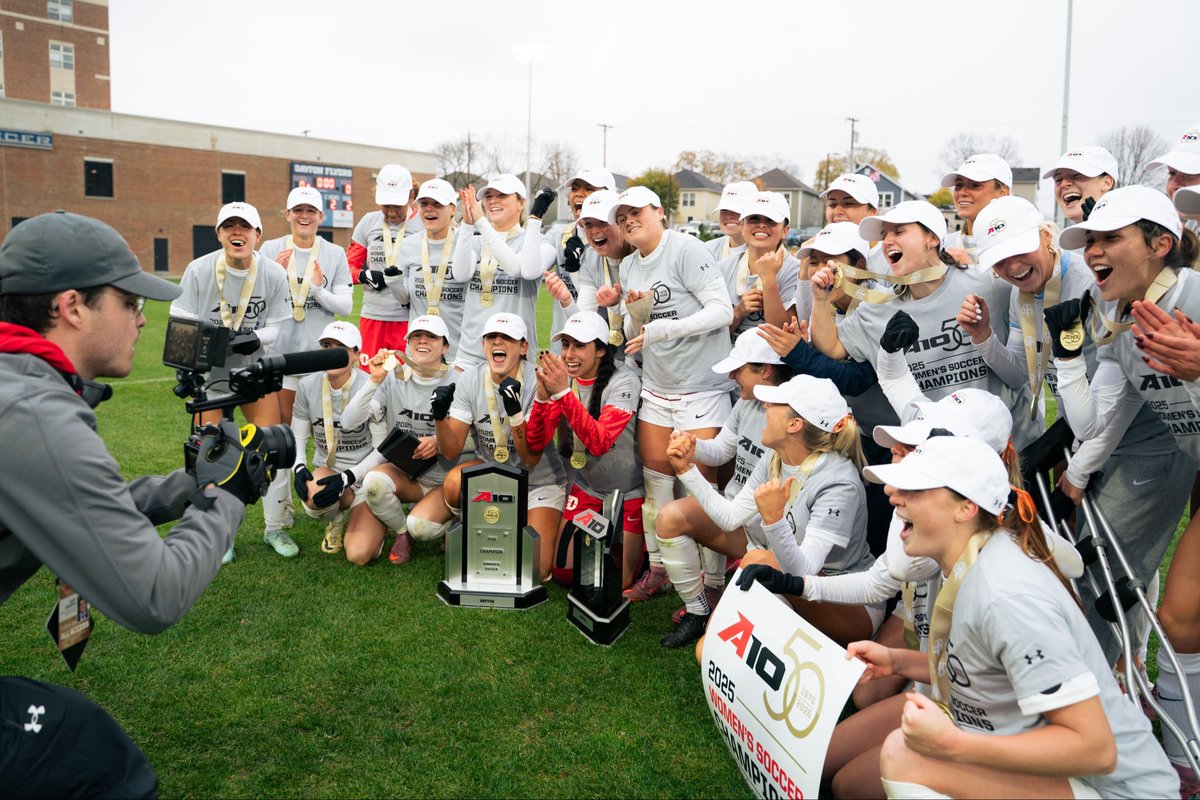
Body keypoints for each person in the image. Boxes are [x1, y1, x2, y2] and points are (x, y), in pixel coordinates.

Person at [0, 211, 260, 796]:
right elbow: (155, 595)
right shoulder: (32, 412)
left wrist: (191, 484)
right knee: (93, 757)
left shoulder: (17, 381)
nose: (143, 319)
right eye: (129, 302)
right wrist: (227, 494)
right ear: (72, 307)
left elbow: (84, 505)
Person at [849, 435, 1178, 799]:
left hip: (1116, 790)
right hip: (1075, 776)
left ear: (966, 508)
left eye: (915, 489)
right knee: (853, 784)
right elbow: (976, 669)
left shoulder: (1005, 594)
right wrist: (897, 661)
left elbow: (1096, 749)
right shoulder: (977, 560)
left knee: (902, 757)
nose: (892, 493)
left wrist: (953, 744)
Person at [963, 195, 1190, 662]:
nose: (1011, 266)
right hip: (1094, 439)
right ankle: (1117, 682)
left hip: (1144, 447)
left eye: (1111, 238)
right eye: (999, 260)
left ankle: (1111, 684)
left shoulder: (1115, 287)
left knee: (1116, 577)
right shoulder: (1100, 308)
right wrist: (994, 341)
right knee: (1108, 573)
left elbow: (1114, 409)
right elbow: (1081, 407)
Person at [1044, 185, 1200, 790]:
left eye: (1111, 238)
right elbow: (1102, 420)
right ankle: (1183, 765)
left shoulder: (1194, 296)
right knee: (1178, 621)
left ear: (1161, 244)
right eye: (1090, 241)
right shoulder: (1121, 319)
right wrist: (1078, 473)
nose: (1093, 251)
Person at [808, 200, 1038, 448]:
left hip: (1009, 448)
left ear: (932, 239)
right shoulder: (877, 309)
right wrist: (820, 299)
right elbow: (831, 346)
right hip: (936, 451)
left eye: (899, 232)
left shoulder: (990, 285)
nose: (887, 242)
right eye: (884, 235)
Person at [669, 375, 874, 647]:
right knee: (705, 648)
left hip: (850, 606)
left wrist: (774, 520)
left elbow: (804, 571)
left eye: (774, 403)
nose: (764, 406)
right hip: (783, 579)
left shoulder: (839, 482)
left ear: (794, 424)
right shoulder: (775, 456)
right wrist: (687, 471)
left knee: (758, 560)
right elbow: (730, 518)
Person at [612, 186, 735, 602]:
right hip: (657, 388)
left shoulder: (686, 249)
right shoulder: (629, 265)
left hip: (701, 388)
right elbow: (636, 334)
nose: (629, 221)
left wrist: (664, 328)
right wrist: (638, 317)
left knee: (702, 491)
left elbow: (723, 310)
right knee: (656, 489)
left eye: (636, 212)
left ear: (660, 212)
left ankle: (713, 586)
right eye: (622, 217)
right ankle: (660, 570)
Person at [652, 329, 792, 647]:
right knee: (669, 517)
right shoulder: (747, 404)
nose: (731, 376)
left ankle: (729, 596)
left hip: (772, 541)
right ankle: (698, 610)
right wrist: (693, 445)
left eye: (738, 369)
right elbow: (720, 451)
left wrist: (686, 469)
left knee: (731, 637)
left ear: (765, 371)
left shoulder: (789, 420)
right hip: (738, 522)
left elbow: (731, 515)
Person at [170, 201, 291, 561]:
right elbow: (179, 315)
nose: (237, 233)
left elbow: (278, 325)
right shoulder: (199, 269)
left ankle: (275, 527)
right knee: (210, 454)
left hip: (254, 373)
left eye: (245, 227)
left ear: (258, 235)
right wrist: (202, 350)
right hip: (211, 377)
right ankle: (220, 535)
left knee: (271, 449)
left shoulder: (272, 272)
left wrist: (255, 339)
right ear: (219, 234)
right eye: (229, 227)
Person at [420, 312, 567, 579]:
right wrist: (440, 418)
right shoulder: (470, 379)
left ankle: (508, 524)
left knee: (536, 569)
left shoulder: (538, 381)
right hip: (492, 472)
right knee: (453, 484)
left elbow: (530, 459)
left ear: (523, 347)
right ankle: (470, 521)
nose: (497, 342)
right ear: (483, 345)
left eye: (507, 337)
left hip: (538, 481)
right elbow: (451, 450)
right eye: (491, 337)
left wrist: (515, 412)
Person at [258, 186, 353, 551]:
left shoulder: (334, 253)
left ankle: (331, 502)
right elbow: (259, 302)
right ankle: (278, 517)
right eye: (297, 210)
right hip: (281, 361)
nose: (304, 216)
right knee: (282, 441)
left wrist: (316, 289)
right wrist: (277, 279)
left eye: (311, 211)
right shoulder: (270, 250)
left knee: (328, 438)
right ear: (287, 214)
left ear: (320, 216)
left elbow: (345, 306)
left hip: (319, 363)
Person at [525, 312, 643, 586]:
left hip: (630, 492)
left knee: (620, 584)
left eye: (579, 346)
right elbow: (535, 443)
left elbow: (600, 442)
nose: (569, 354)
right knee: (565, 574)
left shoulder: (624, 380)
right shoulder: (562, 379)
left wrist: (562, 394)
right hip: (588, 488)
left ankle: (633, 546)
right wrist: (542, 399)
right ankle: (610, 542)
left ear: (601, 350)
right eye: (566, 345)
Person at [338, 314, 458, 564]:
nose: (422, 341)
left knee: (422, 528)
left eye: (431, 337)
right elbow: (348, 422)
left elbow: (472, 437)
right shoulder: (392, 377)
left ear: (445, 347)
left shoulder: (459, 380)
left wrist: (436, 441)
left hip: (445, 480)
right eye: (416, 336)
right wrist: (374, 380)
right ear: (407, 344)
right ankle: (402, 532)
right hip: (406, 476)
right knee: (373, 483)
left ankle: (454, 517)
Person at [286, 322, 378, 561]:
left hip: (367, 475)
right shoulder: (307, 385)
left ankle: (374, 516)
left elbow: (382, 450)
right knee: (313, 494)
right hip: (329, 472)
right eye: (327, 346)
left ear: (356, 354)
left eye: (341, 348)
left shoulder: (371, 385)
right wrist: (299, 467)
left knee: (359, 554)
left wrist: (349, 477)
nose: (332, 353)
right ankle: (336, 519)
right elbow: (297, 436)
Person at [450, 175, 556, 368]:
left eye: (502, 195)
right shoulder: (475, 240)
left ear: (521, 203)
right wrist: (467, 224)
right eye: (489, 196)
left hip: (515, 356)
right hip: (470, 355)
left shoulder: (536, 243)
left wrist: (481, 222)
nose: (493, 201)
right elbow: (460, 274)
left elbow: (518, 269)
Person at [535, 167, 618, 347]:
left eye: (589, 188)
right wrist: (535, 217)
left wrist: (574, 273)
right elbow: (532, 269)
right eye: (575, 188)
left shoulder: (617, 242)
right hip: (563, 347)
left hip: (606, 350)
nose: (579, 193)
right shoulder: (559, 234)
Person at [347, 163, 420, 367]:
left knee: (404, 379)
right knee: (369, 377)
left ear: (411, 196)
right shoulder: (368, 222)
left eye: (397, 206)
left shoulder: (424, 224)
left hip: (408, 319)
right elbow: (347, 267)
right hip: (373, 317)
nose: (391, 212)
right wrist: (363, 275)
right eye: (386, 205)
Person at [391, 179, 467, 363]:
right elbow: (405, 299)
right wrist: (394, 283)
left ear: (452, 209)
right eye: (424, 204)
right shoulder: (408, 245)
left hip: (459, 353)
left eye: (437, 204)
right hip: (419, 351)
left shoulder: (466, 242)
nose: (429, 209)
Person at [722, 191, 802, 339]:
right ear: (742, 226)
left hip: (772, 354)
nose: (761, 225)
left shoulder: (796, 271)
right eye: (753, 218)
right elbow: (712, 335)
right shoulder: (723, 267)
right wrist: (738, 312)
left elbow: (785, 336)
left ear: (785, 231)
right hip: (731, 353)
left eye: (771, 220)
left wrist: (769, 279)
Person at [939, 153, 1012, 267]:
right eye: (959, 185)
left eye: (975, 185)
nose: (962, 192)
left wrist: (971, 269)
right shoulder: (943, 245)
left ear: (1003, 193)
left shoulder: (1020, 243)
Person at [1044, 146, 1119, 225]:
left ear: (1107, 183)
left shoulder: (1125, 228)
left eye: (1076, 175)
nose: (1063, 184)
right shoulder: (1051, 231)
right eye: (1058, 179)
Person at [705, 180, 757, 262]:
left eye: (737, 210)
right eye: (724, 210)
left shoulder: (765, 253)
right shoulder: (708, 250)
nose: (729, 216)